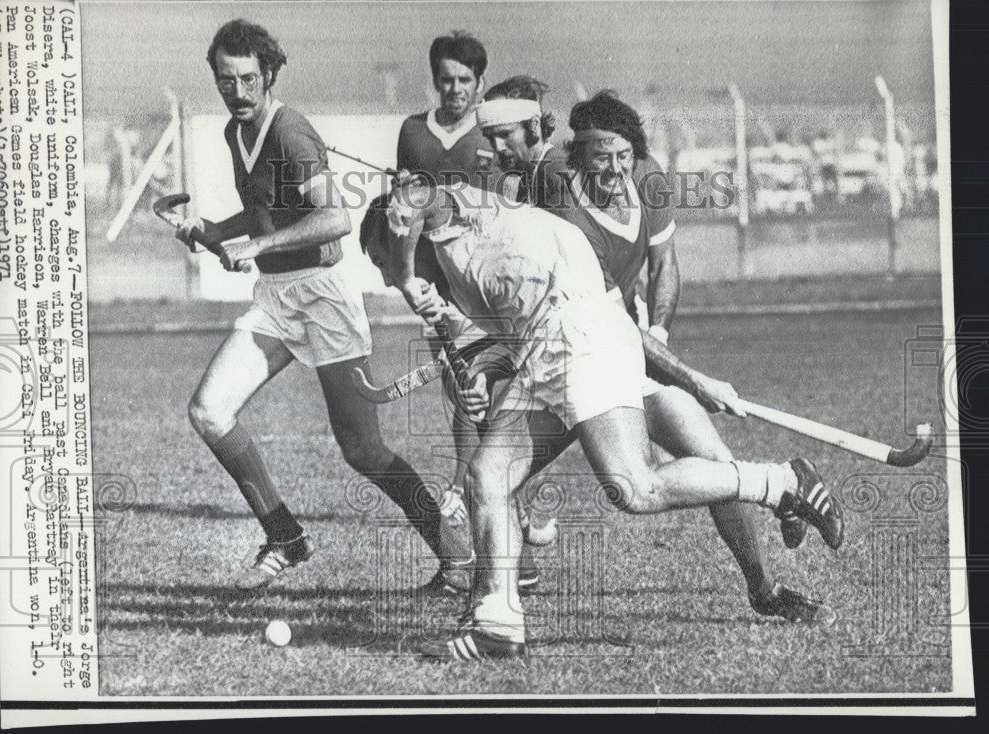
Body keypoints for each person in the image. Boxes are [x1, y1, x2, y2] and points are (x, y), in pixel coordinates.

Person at [359, 180, 844, 660]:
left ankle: (782, 482)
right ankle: (497, 624)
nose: (384, 278)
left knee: (636, 488)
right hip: (548, 346)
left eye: (380, 260)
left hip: (578, 334)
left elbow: (413, 197)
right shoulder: (462, 263)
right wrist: (483, 372)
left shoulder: (448, 215)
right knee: (488, 475)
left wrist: (404, 276)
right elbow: (513, 323)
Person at [475, 83, 832, 624]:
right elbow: (527, 181)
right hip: (583, 353)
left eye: (623, 157)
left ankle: (765, 585)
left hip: (624, 348)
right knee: (495, 476)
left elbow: (664, 266)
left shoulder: (645, 178)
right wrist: (692, 379)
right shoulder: (559, 199)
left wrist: (662, 342)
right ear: (577, 156)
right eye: (601, 160)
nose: (615, 171)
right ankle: (490, 611)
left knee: (711, 463)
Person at [174, 19, 468, 591]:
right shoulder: (238, 134)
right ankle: (285, 536)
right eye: (225, 80)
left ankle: (455, 556)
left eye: (248, 79)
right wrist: (207, 230)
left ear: (269, 75)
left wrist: (256, 246)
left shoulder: (290, 133)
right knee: (208, 411)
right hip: (277, 300)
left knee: (362, 450)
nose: (237, 91)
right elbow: (264, 217)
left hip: (325, 297)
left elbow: (333, 218)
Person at [394, 32, 539, 592]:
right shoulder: (412, 131)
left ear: (480, 83)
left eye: (464, 80)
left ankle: (511, 551)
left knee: (496, 410)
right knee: (463, 403)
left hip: (491, 288)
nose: (454, 89)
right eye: (445, 78)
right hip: (439, 288)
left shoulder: (493, 131)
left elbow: (518, 199)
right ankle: (503, 554)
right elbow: (406, 204)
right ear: (435, 79)